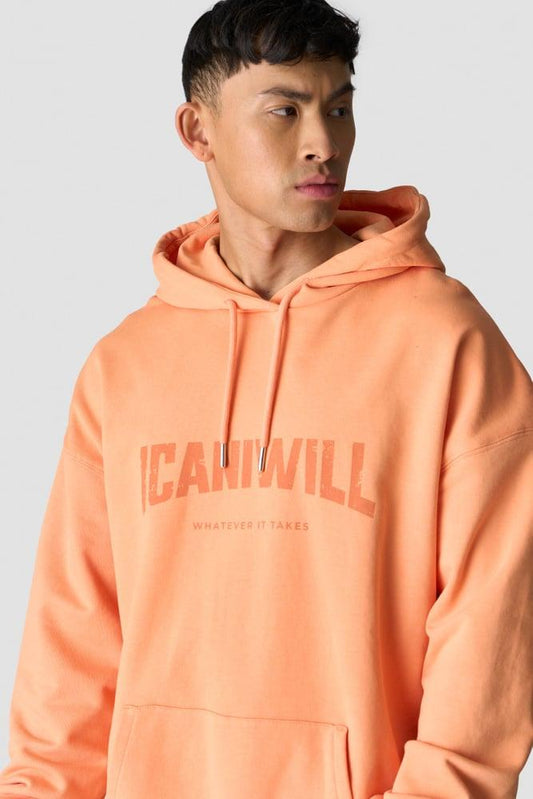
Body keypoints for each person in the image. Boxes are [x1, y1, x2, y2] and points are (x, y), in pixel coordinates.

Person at [1, 0, 532, 796]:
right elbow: (73, 630)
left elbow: (491, 627)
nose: (323, 142)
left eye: (338, 107)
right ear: (198, 131)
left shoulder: (444, 341)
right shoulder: (125, 364)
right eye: (284, 110)